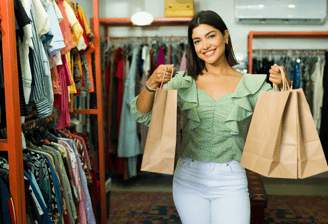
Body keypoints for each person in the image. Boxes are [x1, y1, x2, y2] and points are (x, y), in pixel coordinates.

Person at [130, 10, 291, 224]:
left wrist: (283, 87)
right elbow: (141, 114)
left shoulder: (252, 85)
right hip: (188, 178)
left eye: (211, 36)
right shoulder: (183, 81)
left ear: (225, 36)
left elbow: (282, 123)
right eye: (197, 40)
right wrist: (150, 83)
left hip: (231, 178)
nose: (205, 45)